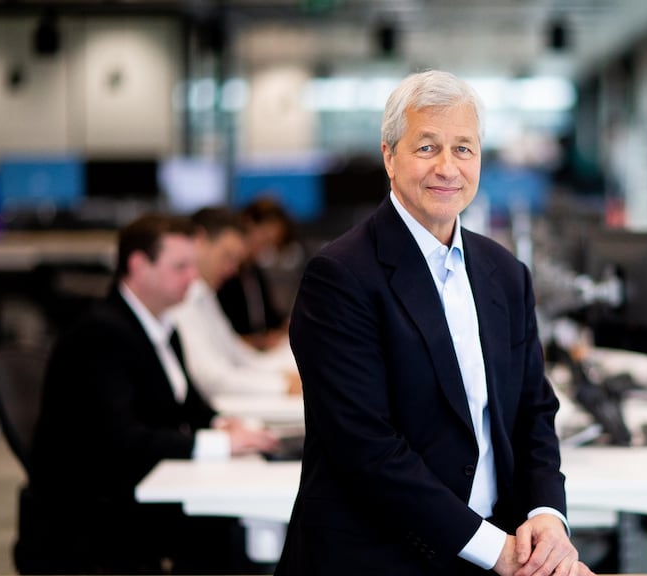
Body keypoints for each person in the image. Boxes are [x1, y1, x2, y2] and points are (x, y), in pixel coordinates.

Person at [275, 70, 592, 576]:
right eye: (427, 147)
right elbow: (367, 448)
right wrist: (496, 550)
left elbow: (533, 411)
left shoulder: (505, 273)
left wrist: (546, 517)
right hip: (378, 558)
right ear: (389, 156)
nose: (448, 167)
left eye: (463, 148)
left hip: (492, 550)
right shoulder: (340, 275)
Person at [28, 213, 279, 574]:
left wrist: (223, 425)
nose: (192, 277)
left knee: (237, 522)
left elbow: (187, 405)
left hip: (136, 490)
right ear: (138, 266)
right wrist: (218, 445)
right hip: (95, 515)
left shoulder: (160, 325)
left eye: (192, 265)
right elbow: (124, 440)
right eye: (180, 267)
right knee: (230, 529)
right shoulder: (100, 334)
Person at [171, 207, 301, 400]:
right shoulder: (183, 295)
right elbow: (211, 379)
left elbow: (240, 357)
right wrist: (283, 385)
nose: (232, 269)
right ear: (199, 240)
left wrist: (290, 373)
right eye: (227, 256)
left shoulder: (203, 294)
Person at [217, 196, 296, 351]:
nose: (265, 249)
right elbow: (220, 336)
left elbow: (272, 317)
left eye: (272, 244)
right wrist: (259, 341)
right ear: (248, 225)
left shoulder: (255, 271)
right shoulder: (225, 273)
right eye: (264, 239)